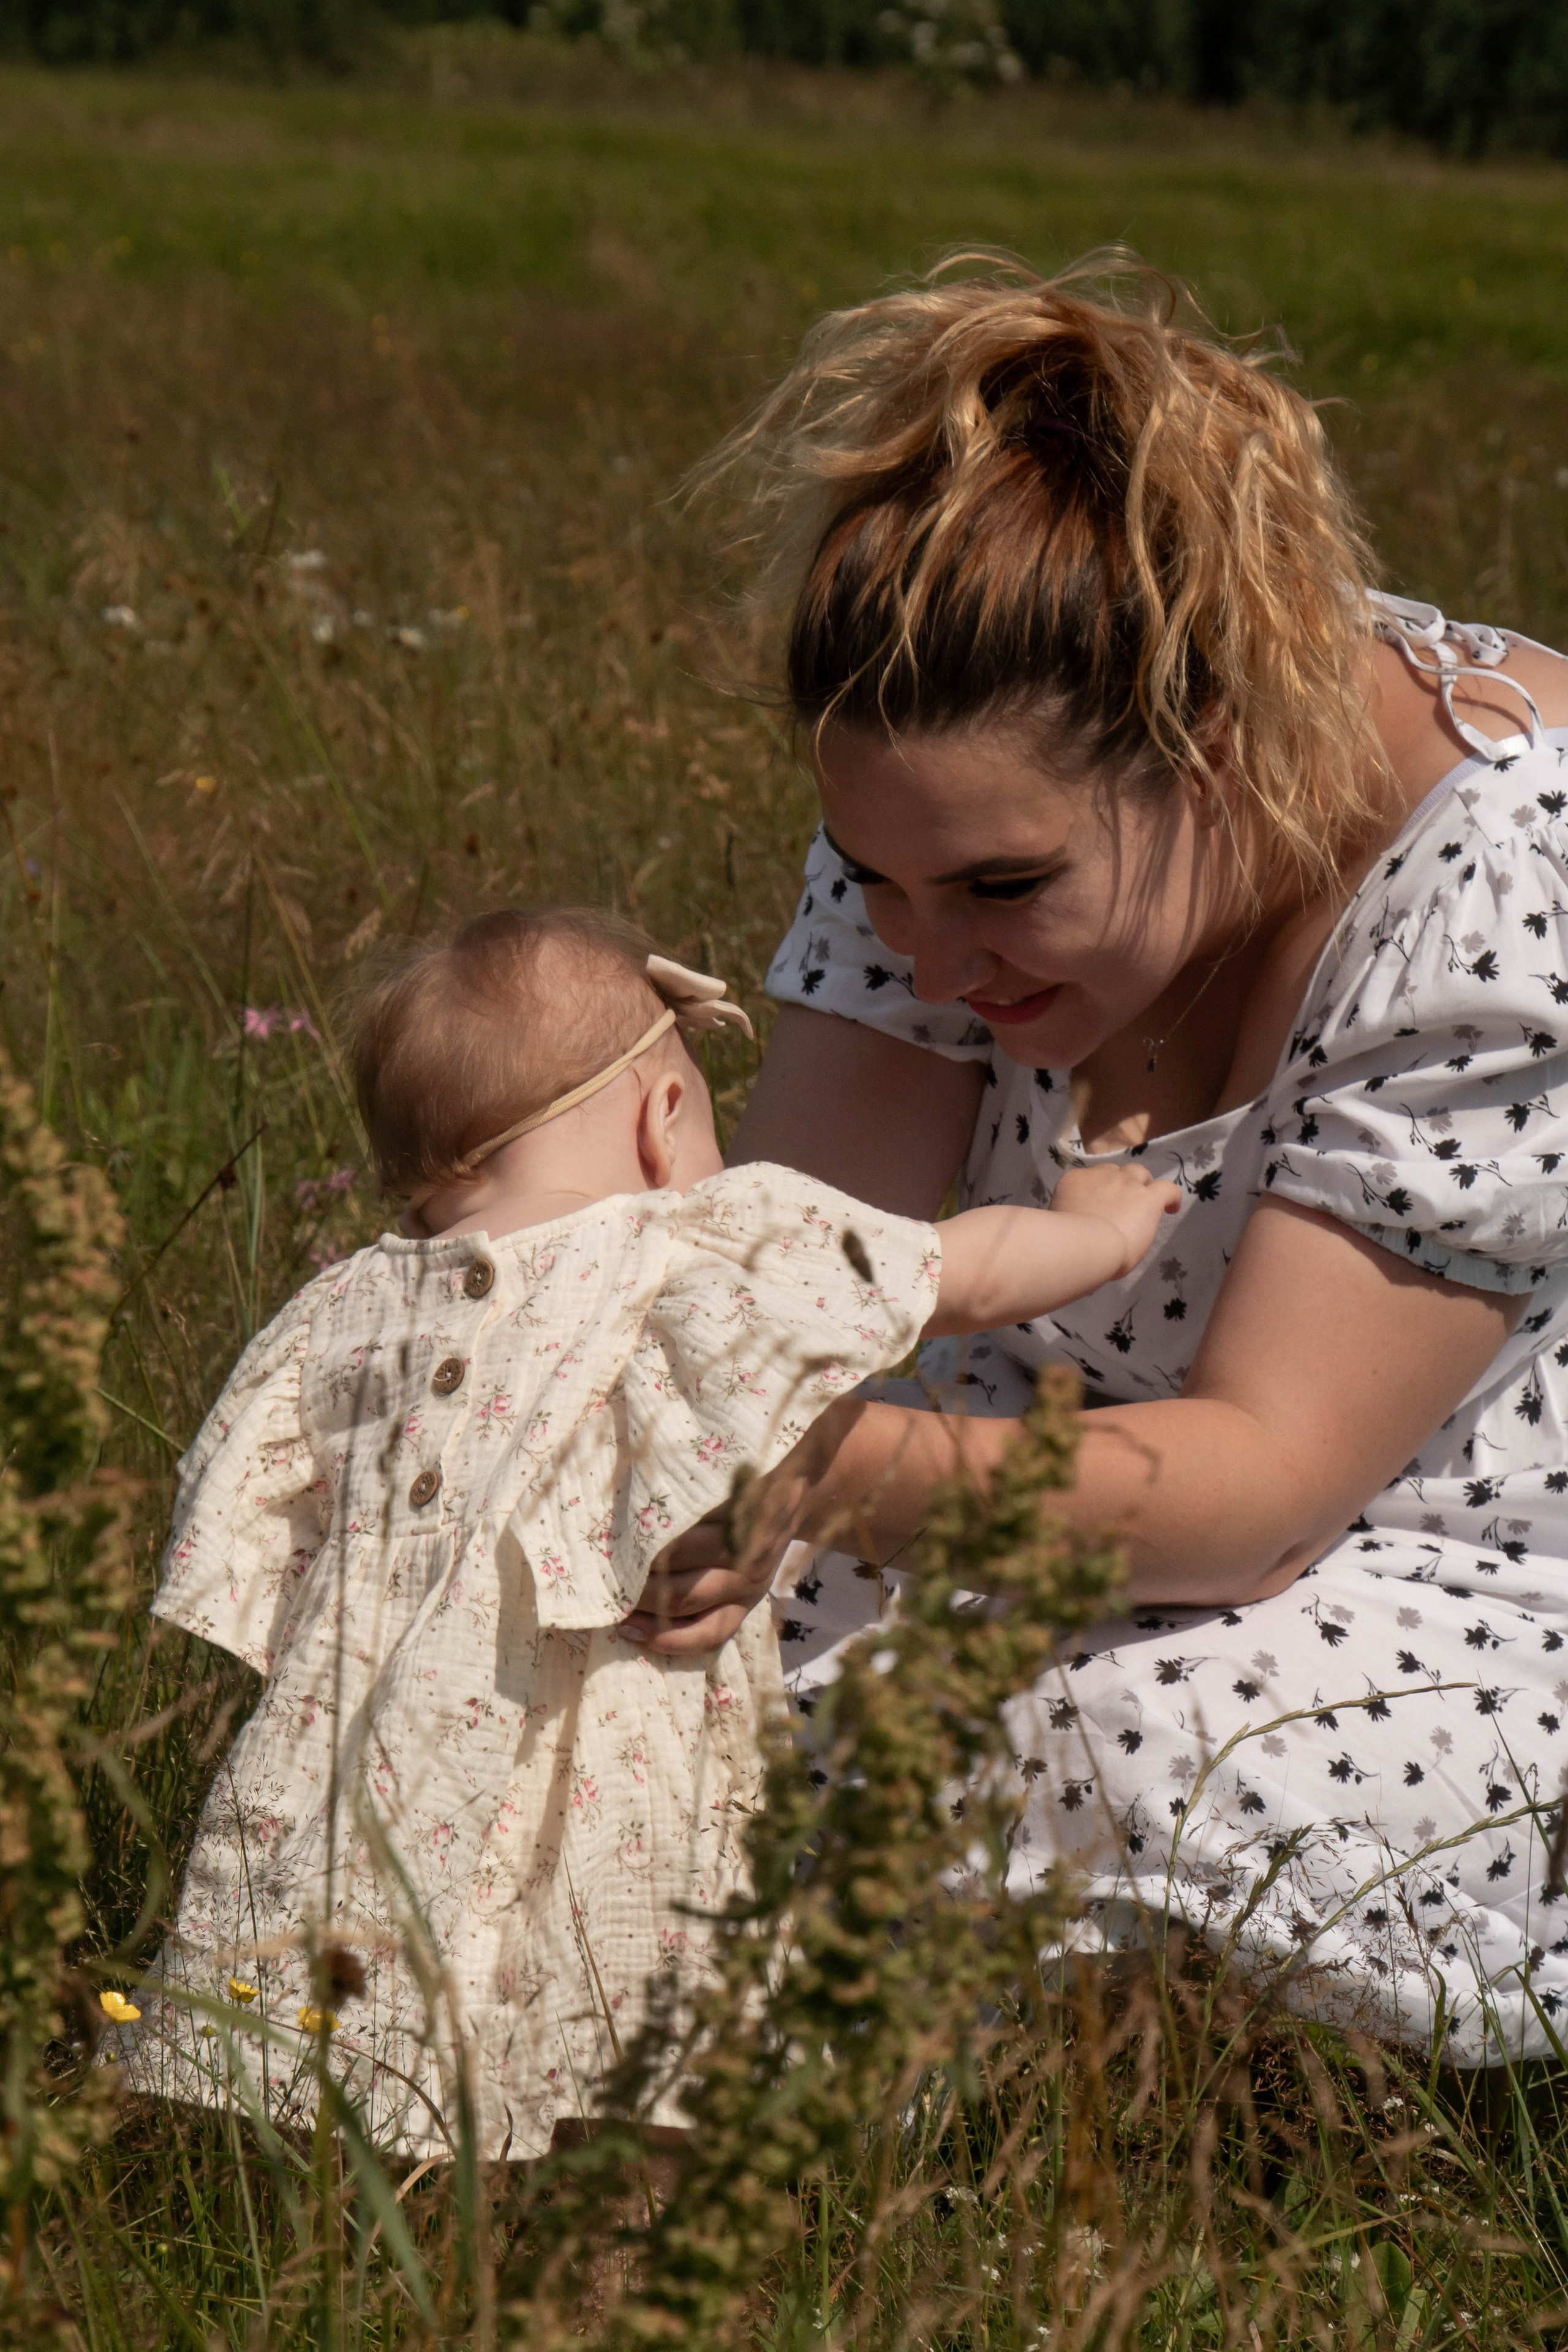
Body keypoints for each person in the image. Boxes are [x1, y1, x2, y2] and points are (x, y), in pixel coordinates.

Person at [624, 252, 1568, 2065]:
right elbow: (813, 1276)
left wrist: (793, 1463)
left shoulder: (1505, 878)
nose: (930, 956)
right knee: (623, 1638)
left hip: (1437, 1565)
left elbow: (1255, 1490)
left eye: (1000, 891)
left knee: (1110, 1747)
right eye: (872, 877)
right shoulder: (951, 824)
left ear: (1225, 751)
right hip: (1036, 1473)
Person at [113, 903, 1176, 2160]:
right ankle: (620, 2262)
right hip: (612, 1734)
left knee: (361, 2014)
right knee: (626, 2019)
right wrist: (1104, 1229)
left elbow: (252, 1527)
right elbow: (957, 1270)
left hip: (363, 1755)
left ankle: (353, 2234)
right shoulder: (690, 1240)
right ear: (661, 1119)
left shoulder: (337, 1315)